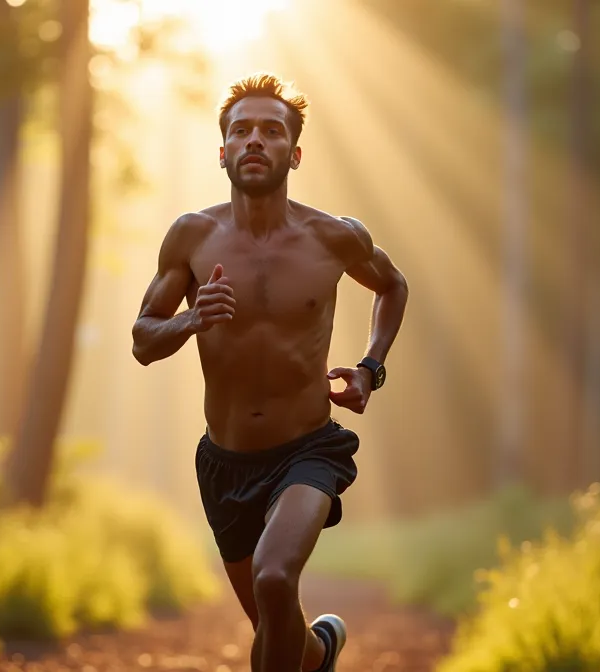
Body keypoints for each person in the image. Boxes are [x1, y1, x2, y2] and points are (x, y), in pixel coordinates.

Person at [130, 72, 409, 672]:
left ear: (295, 153)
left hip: (309, 450)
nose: (255, 139)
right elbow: (142, 342)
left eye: (271, 130)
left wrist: (370, 368)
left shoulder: (335, 237)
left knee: (276, 578)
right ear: (223, 151)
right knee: (279, 627)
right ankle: (322, 654)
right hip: (224, 464)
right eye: (241, 130)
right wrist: (189, 320)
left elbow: (392, 285)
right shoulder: (191, 236)